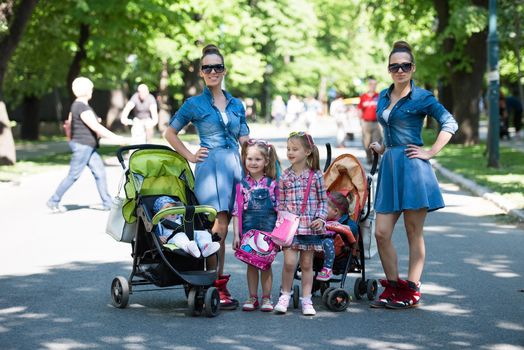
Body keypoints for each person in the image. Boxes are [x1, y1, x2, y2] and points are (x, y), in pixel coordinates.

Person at [369, 41, 458, 309]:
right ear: (389, 69)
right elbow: (391, 131)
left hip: (413, 169)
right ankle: (395, 286)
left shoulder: (423, 98)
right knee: (381, 233)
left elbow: (449, 123)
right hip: (390, 166)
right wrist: (382, 148)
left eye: (405, 65)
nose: (400, 70)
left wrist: (430, 151)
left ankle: (413, 289)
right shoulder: (384, 96)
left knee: (412, 232)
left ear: (413, 68)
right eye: (395, 66)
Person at [163, 44, 250, 310]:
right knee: (216, 226)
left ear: (224, 71)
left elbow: (244, 137)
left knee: (231, 226)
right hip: (209, 167)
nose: (213, 71)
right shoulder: (194, 104)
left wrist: (256, 158)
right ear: (201, 73)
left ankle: (213, 282)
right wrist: (189, 156)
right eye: (207, 67)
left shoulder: (236, 104)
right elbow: (170, 133)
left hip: (235, 165)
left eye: (217, 67)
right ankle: (215, 285)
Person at [47, 77, 124, 213]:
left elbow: (75, 122)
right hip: (83, 146)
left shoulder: (78, 105)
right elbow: (95, 127)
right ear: (86, 90)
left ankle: (107, 203)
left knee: (99, 172)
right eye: (91, 88)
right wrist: (116, 138)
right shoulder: (81, 106)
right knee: (73, 175)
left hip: (87, 146)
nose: (92, 91)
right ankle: (53, 201)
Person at [274, 132, 328, 316]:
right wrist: (279, 224)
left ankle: (307, 299)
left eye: (295, 149)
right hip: (290, 229)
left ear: (307, 152)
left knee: (306, 264)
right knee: (289, 263)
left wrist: (321, 218)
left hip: (310, 228)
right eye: (288, 148)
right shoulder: (285, 177)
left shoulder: (316, 176)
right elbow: (280, 204)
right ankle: (284, 296)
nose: (290, 152)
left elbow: (323, 201)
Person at [232, 139, 280, 312]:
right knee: (251, 264)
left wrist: (279, 234)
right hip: (248, 231)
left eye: (257, 159)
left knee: (265, 265)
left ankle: (267, 298)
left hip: (267, 232)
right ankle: (252, 297)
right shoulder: (241, 185)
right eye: (249, 159)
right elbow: (237, 211)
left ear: (266, 161)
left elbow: (279, 209)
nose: (253, 163)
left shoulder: (272, 184)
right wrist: (237, 235)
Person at [153, 196, 220, 258]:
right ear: (159, 212)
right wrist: (159, 237)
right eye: (167, 208)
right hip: (173, 237)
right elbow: (156, 233)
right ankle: (189, 247)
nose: (172, 210)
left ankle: (206, 246)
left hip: (188, 233)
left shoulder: (181, 217)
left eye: (173, 207)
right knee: (180, 237)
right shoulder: (159, 222)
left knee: (204, 234)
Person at [316, 191, 358, 281]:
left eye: (325, 208)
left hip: (339, 251)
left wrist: (343, 227)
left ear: (335, 211)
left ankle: (327, 269)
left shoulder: (346, 221)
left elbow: (354, 228)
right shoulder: (321, 220)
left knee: (328, 242)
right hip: (319, 249)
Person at [358, 76, 382, 164]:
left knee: (376, 142)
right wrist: (360, 122)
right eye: (371, 84)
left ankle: (377, 161)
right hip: (366, 123)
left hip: (376, 123)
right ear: (368, 85)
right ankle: (369, 160)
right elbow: (360, 110)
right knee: (366, 143)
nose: (373, 86)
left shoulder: (379, 96)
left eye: (375, 84)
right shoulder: (363, 96)